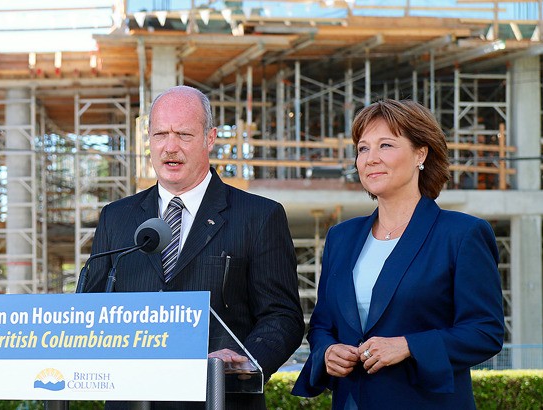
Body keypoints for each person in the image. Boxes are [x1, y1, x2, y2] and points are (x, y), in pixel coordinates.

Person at [84, 85, 305, 409]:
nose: (170, 147)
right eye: (160, 134)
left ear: (210, 138)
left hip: (220, 398)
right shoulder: (116, 218)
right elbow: (92, 310)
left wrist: (243, 362)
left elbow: (282, 316)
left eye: (184, 135)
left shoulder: (259, 216)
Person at [292, 99, 505, 409]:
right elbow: (323, 324)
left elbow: (485, 331)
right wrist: (327, 352)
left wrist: (408, 345)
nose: (370, 158)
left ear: (421, 153)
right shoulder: (342, 237)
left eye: (386, 145)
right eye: (363, 148)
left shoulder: (461, 234)